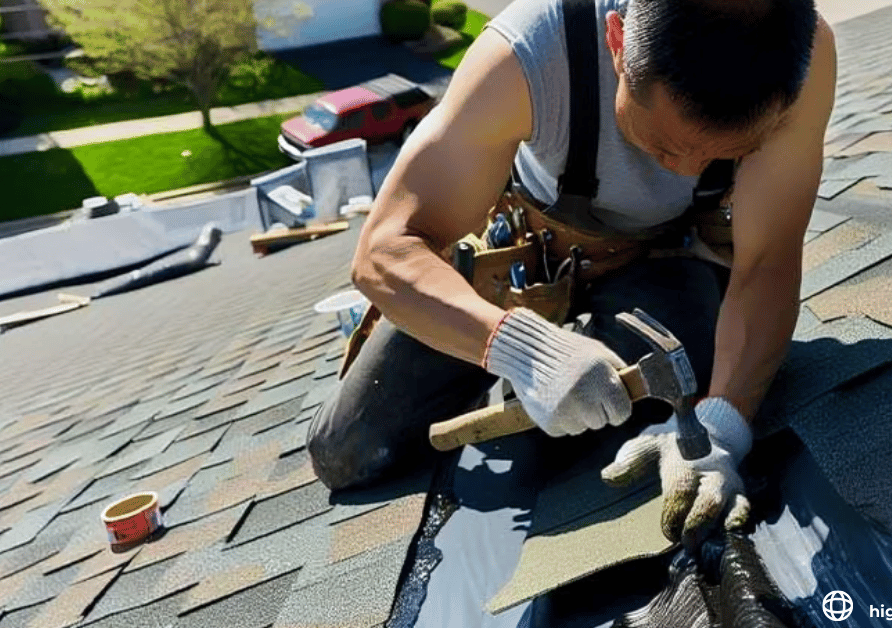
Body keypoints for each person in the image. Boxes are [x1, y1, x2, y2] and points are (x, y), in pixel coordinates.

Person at [307, 0, 836, 548]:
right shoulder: (529, 54)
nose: (685, 171)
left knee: (642, 402)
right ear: (616, 45)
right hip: (512, 268)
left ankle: (583, 359)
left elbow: (767, 261)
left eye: (726, 154)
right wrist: (522, 350)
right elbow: (383, 251)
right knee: (348, 451)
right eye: (665, 145)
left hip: (657, 266)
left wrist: (724, 428)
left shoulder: (800, 59)